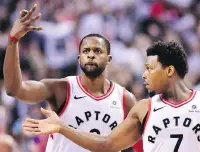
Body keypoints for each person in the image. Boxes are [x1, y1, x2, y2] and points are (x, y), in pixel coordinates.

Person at [23, 41, 200, 152]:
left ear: (169, 71)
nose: (143, 74)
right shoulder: (143, 108)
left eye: (149, 68)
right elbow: (106, 145)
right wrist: (62, 128)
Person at [4, 4, 143, 152]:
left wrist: (63, 128)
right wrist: (13, 40)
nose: (91, 55)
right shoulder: (61, 89)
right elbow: (15, 90)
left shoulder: (126, 100)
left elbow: (119, 146)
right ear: (78, 58)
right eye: (86, 51)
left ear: (109, 59)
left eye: (97, 51)